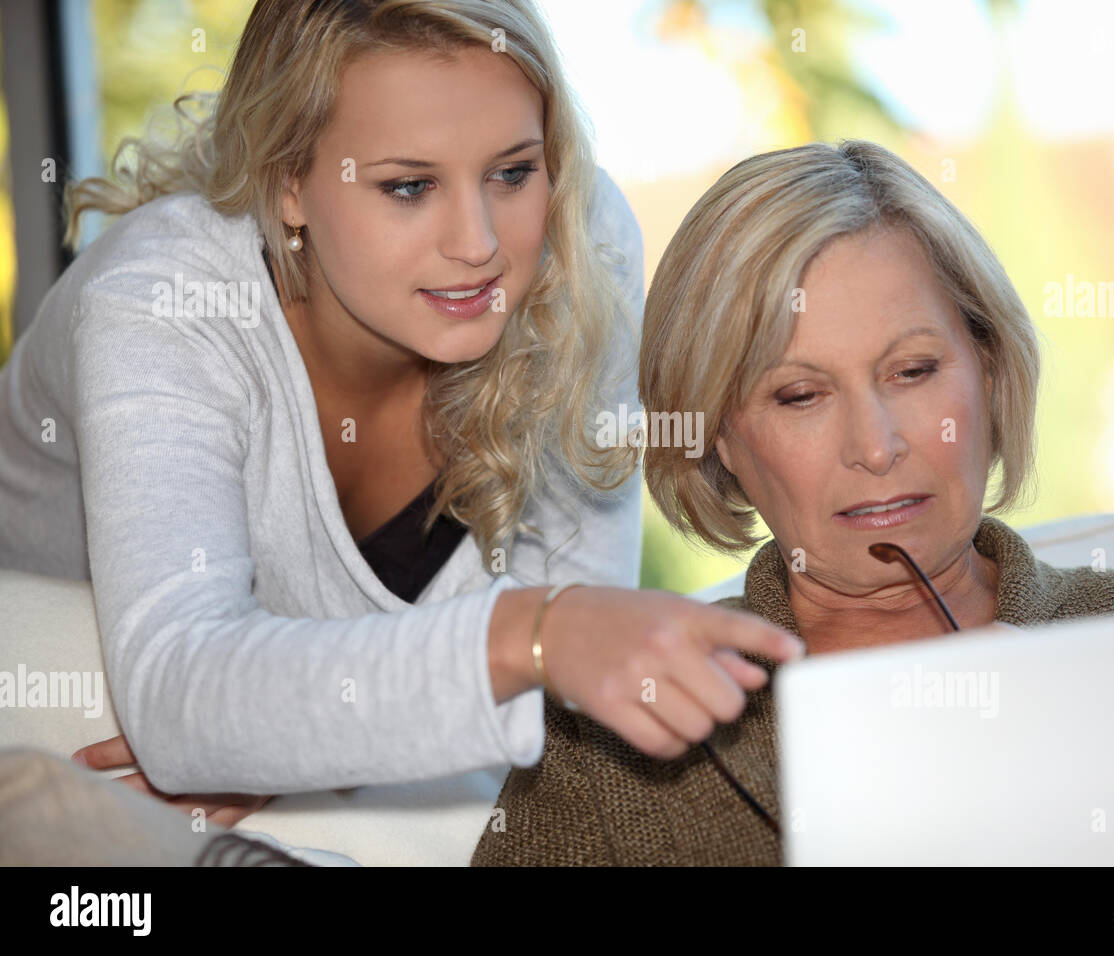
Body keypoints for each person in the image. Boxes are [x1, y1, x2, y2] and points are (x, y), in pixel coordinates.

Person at [0, 0, 799, 840]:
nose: (479, 241)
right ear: (289, 184)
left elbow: (577, 672)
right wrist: (530, 635)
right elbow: (177, 700)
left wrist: (283, 733)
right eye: (408, 186)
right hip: (58, 743)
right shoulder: (163, 301)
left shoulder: (578, 242)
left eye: (513, 172)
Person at [471, 139, 1114, 866]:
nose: (875, 444)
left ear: (989, 374)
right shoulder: (609, 739)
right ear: (716, 436)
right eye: (800, 395)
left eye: (914, 370)